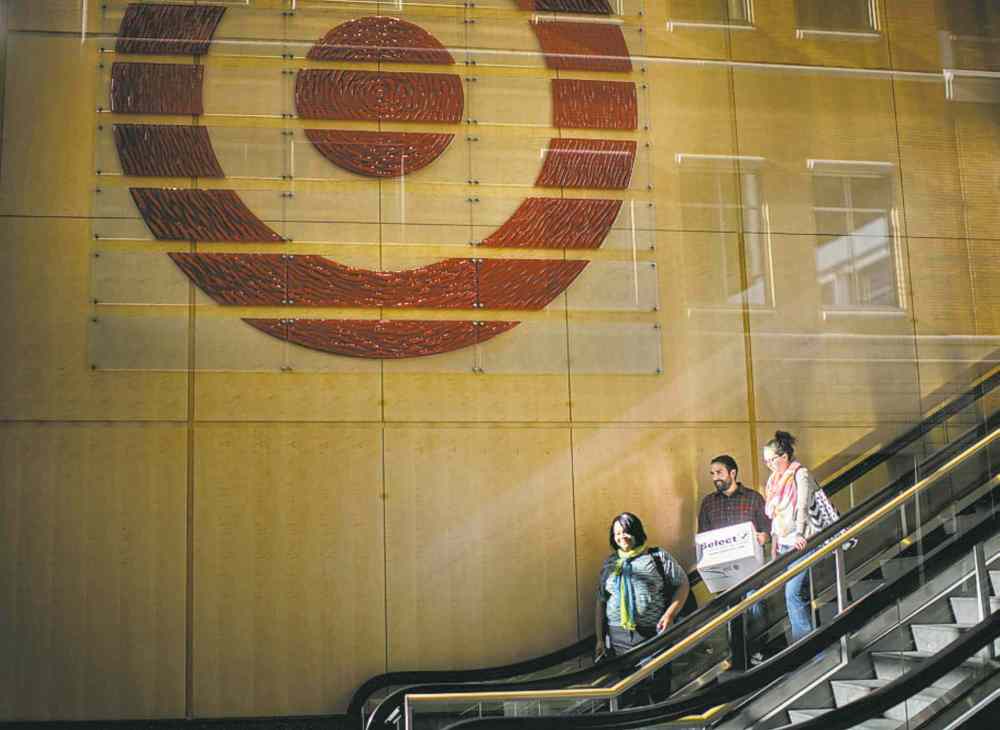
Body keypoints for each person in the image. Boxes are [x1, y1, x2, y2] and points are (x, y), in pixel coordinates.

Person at [595, 512, 689, 704]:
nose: (621, 537)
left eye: (626, 532)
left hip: (653, 635)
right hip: (619, 637)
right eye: (617, 534)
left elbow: (683, 584)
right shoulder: (610, 564)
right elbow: (601, 601)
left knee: (658, 688)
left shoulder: (657, 557)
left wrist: (670, 614)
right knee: (628, 691)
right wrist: (599, 639)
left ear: (636, 531)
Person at [698, 455, 771, 664]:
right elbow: (703, 536)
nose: (715, 478)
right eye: (712, 474)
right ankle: (738, 659)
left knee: (757, 609)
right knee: (731, 616)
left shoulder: (753, 498)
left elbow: (767, 529)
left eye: (719, 472)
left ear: (733, 473)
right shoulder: (708, 503)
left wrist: (764, 536)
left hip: (751, 569)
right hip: (724, 572)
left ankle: (759, 653)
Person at [763, 430, 817, 643]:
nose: (768, 464)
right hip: (785, 543)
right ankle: (814, 646)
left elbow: (802, 506)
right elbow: (776, 515)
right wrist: (775, 545)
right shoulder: (773, 481)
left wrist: (800, 534)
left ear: (784, 457)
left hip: (801, 542)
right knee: (798, 594)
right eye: (765, 460)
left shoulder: (799, 474)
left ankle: (804, 646)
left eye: (771, 460)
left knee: (792, 594)